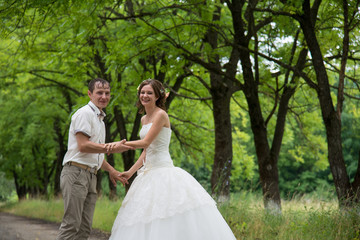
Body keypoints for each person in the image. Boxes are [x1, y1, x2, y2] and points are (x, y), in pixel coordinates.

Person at [106, 79, 236, 240]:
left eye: (149, 93)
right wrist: (130, 172)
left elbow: (145, 142)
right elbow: (147, 151)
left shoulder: (161, 115)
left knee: (167, 215)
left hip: (163, 171)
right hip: (147, 174)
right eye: (142, 92)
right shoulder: (143, 119)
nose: (144, 95)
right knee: (144, 218)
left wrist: (122, 145)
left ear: (157, 96)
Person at [56, 78, 133, 240]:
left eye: (107, 93)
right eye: (99, 93)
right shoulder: (84, 114)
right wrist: (111, 147)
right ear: (90, 94)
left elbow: (94, 153)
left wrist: (112, 170)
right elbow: (83, 146)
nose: (104, 96)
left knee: (84, 229)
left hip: (91, 175)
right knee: (72, 225)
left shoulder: (100, 120)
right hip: (76, 173)